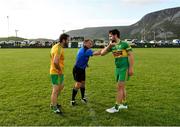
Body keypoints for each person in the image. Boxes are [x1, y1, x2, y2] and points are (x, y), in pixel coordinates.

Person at [101, 29, 134, 113]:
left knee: (119, 87)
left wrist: (130, 68)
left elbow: (131, 56)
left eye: (110, 36)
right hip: (117, 68)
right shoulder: (111, 45)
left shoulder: (124, 44)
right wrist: (109, 46)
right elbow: (102, 53)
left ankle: (116, 107)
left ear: (115, 35)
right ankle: (124, 104)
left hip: (124, 68)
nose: (109, 37)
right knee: (122, 87)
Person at [71, 39, 101, 106]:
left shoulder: (82, 49)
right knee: (78, 84)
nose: (91, 45)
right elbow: (97, 53)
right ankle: (72, 100)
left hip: (82, 69)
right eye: (89, 43)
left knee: (83, 84)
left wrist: (85, 64)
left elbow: (80, 58)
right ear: (85, 43)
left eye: (91, 43)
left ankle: (82, 98)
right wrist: (107, 48)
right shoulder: (86, 50)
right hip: (77, 69)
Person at [50, 33, 69, 114]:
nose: (69, 41)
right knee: (55, 90)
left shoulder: (58, 47)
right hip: (56, 72)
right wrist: (60, 70)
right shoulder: (58, 48)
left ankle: (54, 102)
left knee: (61, 87)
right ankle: (54, 106)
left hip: (58, 72)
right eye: (68, 40)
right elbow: (55, 62)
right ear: (63, 40)